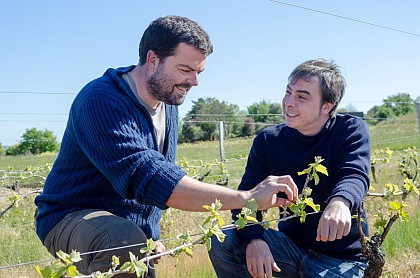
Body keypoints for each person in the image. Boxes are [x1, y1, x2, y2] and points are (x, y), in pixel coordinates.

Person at [34, 15, 298, 277]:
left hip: (123, 228)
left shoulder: (168, 102)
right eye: (186, 70)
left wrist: (148, 234)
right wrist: (247, 199)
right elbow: (146, 176)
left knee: (132, 247)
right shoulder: (100, 100)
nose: (194, 81)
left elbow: (158, 173)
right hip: (69, 217)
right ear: (152, 60)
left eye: (199, 72)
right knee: (125, 245)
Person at [209, 59, 371, 278]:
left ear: (327, 106)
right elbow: (246, 197)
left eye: (302, 97)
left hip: (341, 260)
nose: (289, 103)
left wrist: (341, 202)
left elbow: (354, 173)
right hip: (290, 248)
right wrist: (254, 239)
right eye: (288, 92)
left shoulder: (349, 129)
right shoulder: (268, 140)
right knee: (222, 238)